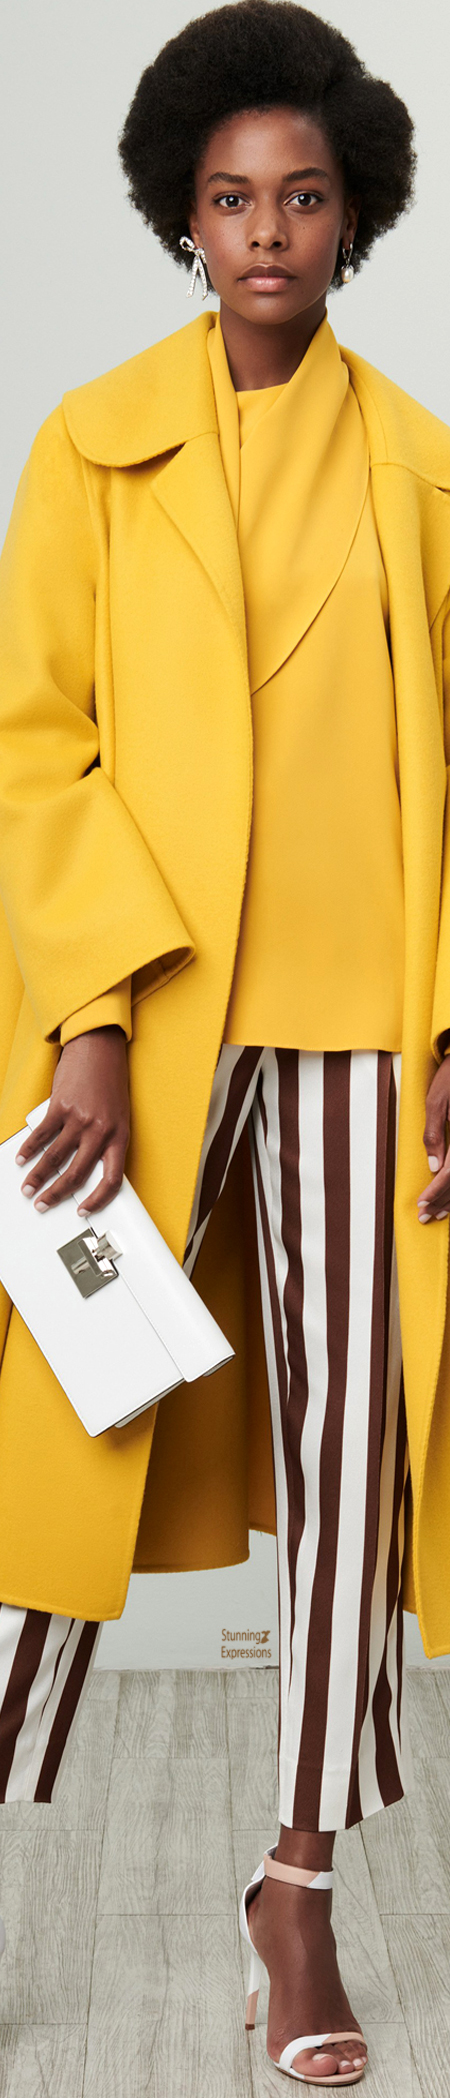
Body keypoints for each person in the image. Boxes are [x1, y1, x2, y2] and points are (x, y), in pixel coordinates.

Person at [1, 0, 450, 2081]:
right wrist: (87, 1020)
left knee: (352, 1465)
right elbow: (38, 750)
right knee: (69, 1428)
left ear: (355, 218)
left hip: (363, 1023)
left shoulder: (425, 472)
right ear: (181, 219)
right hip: (152, 1031)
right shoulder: (91, 448)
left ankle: (296, 1893)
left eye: (305, 196)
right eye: (230, 198)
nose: (267, 230)